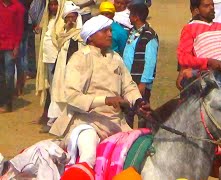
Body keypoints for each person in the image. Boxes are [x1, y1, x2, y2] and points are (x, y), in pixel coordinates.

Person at [49, 15, 151, 169]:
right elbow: (72, 96)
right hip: (86, 122)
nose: (110, 34)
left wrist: (138, 102)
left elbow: (129, 86)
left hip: (117, 123)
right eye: (104, 31)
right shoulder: (79, 58)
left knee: (142, 153)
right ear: (91, 37)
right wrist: (106, 100)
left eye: (110, 31)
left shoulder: (115, 57)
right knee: (88, 154)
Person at [42, 1, 84, 133]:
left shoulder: (81, 35)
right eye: (68, 17)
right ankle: (53, 122)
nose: (71, 20)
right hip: (62, 68)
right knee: (58, 94)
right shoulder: (62, 34)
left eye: (73, 17)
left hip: (76, 70)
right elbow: (60, 44)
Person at [123, 3, 158, 127]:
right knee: (127, 112)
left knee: (142, 113)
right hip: (129, 81)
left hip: (139, 82)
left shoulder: (149, 35)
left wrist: (144, 82)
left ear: (136, 17)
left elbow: (150, 61)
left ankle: (143, 138)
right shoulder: (132, 32)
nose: (128, 17)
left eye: (130, 15)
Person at [0, 0, 25, 113]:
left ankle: (8, 103)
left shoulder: (17, 7)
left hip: (10, 46)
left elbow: (19, 28)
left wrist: (16, 46)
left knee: (9, 76)